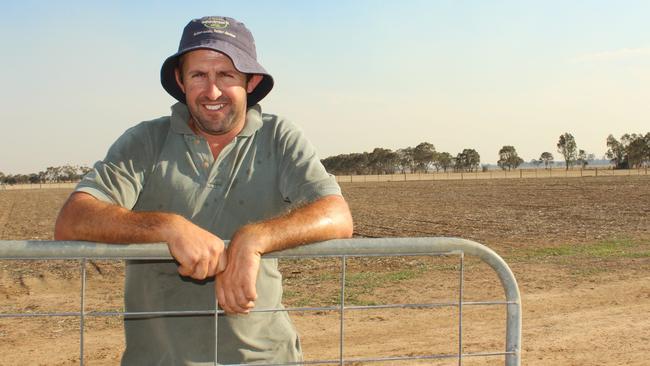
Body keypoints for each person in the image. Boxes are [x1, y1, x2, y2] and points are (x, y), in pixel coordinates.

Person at [54, 16, 353, 365]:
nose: (212, 92)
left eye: (226, 75)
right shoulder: (145, 141)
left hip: (265, 357)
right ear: (181, 80)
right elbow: (73, 219)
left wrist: (254, 238)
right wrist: (168, 227)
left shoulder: (279, 137)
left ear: (250, 80)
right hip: (159, 359)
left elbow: (337, 214)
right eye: (199, 75)